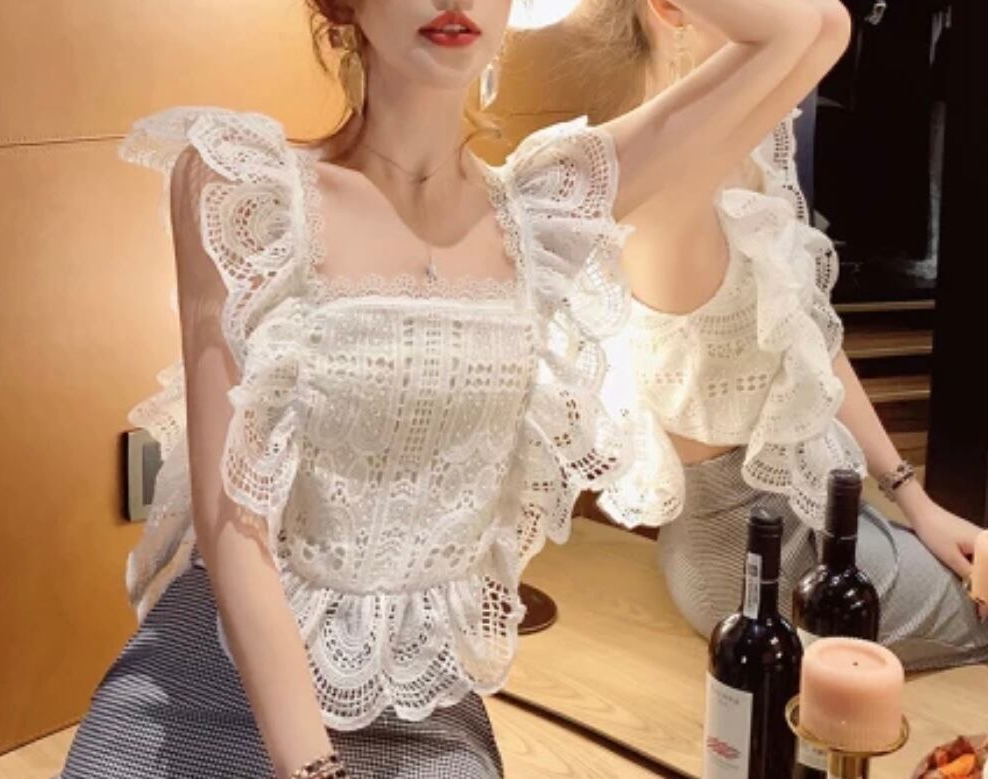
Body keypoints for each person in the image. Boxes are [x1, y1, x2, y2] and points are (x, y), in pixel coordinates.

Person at [60, 0, 850, 776]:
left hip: (417, 707)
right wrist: (313, 769)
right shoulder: (245, 186)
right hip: (213, 677)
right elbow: (233, 527)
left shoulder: (543, 211)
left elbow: (810, 27)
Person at [592, 0, 988, 671]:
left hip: (817, 510)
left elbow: (811, 337)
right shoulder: (657, 192)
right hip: (754, 562)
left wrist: (916, 499)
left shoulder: (744, 162)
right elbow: (825, 24)